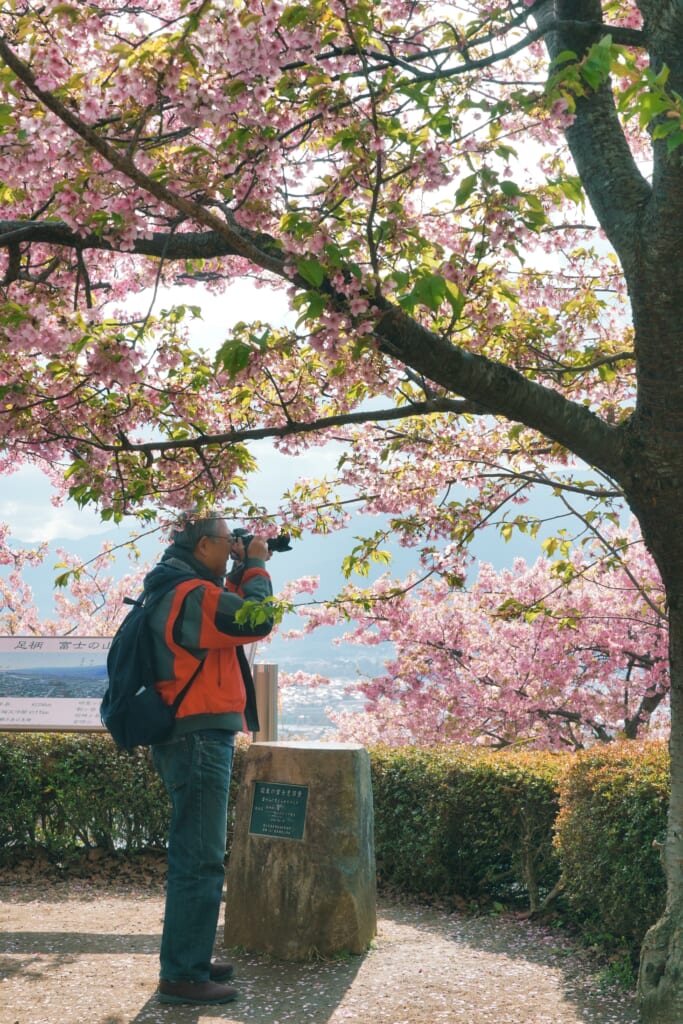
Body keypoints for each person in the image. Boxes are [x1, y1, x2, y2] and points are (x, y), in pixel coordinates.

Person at [144, 511, 274, 1006]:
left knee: (195, 855)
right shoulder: (190, 595)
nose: (232, 549)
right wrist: (257, 567)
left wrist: (241, 570)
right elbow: (254, 617)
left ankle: (190, 956)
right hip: (197, 736)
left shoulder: (182, 587)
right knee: (199, 859)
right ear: (202, 546)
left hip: (191, 734)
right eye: (225, 542)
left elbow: (232, 613)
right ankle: (182, 975)